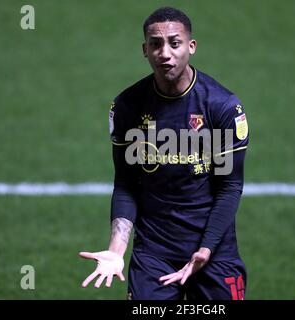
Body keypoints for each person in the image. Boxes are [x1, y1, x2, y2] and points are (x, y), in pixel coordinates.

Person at [79, 6, 249, 300]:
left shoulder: (221, 107)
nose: (165, 53)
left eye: (175, 42)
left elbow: (230, 187)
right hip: (154, 253)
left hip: (213, 250)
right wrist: (116, 250)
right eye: (156, 44)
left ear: (191, 47)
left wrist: (205, 250)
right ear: (145, 50)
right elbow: (126, 185)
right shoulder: (128, 107)